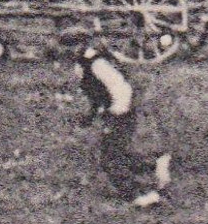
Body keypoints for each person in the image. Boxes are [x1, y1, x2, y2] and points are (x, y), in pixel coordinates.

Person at [60, 26, 171, 208]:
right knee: (118, 153)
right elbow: (95, 92)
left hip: (120, 111)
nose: (68, 51)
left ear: (82, 44)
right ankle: (155, 164)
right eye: (66, 47)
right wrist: (92, 113)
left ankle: (139, 195)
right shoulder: (81, 65)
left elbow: (121, 88)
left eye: (71, 46)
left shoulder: (97, 64)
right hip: (111, 111)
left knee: (110, 159)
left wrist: (117, 112)